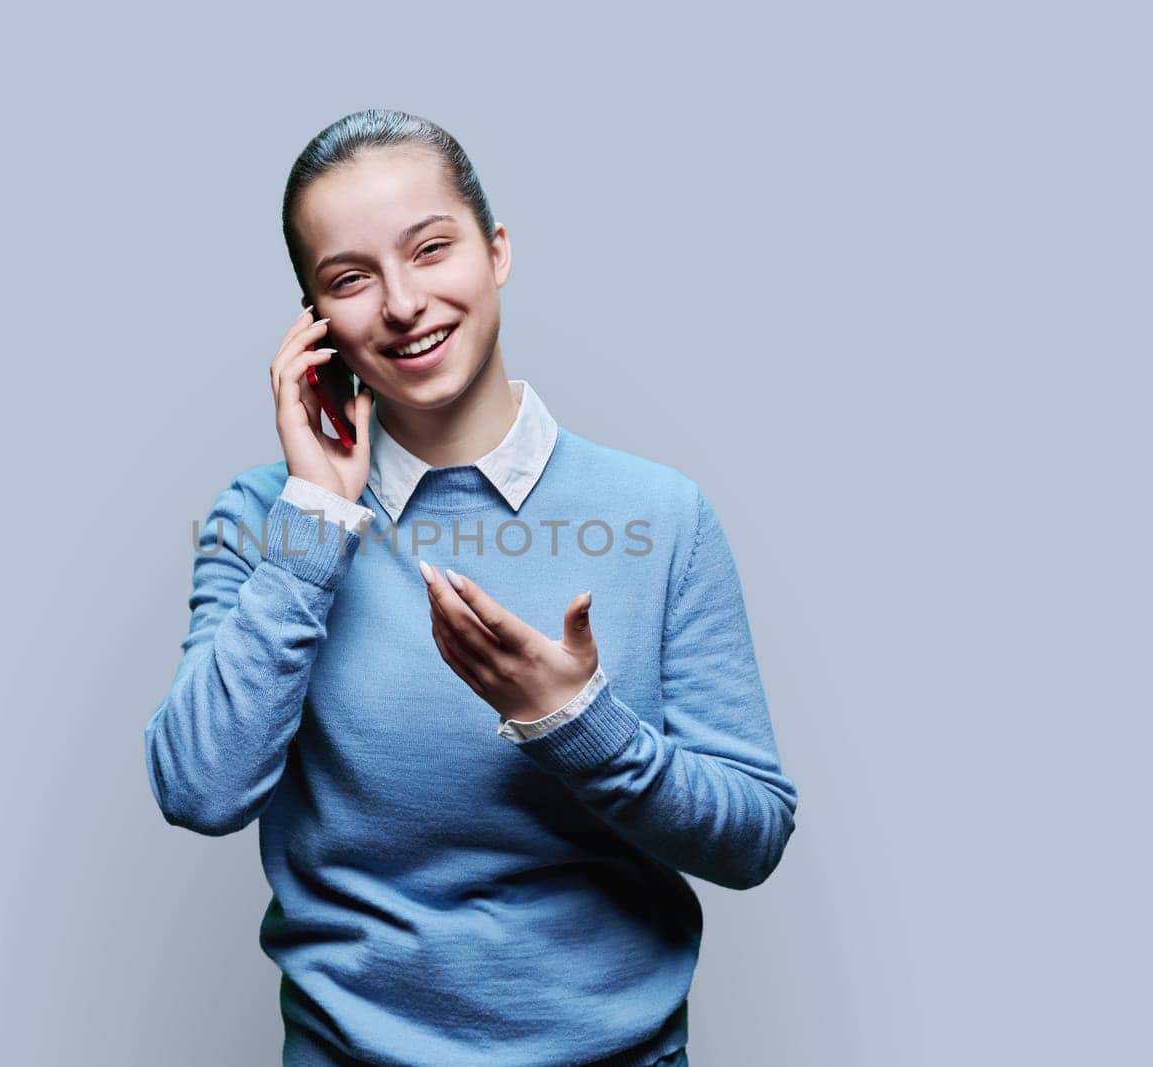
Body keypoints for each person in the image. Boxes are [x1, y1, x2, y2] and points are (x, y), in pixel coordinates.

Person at [144, 108, 798, 1067]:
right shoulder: (265, 519)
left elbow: (752, 838)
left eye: (431, 249)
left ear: (495, 252)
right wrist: (318, 522)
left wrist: (578, 722)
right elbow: (199, 788)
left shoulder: (662, 515)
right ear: (313, 321)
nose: (403, 303)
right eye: (351, 278)